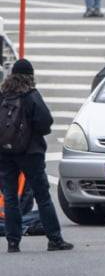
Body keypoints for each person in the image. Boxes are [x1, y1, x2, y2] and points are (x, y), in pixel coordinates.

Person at [0, 59, 73, 252]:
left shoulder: (3, 96)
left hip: (5, 153)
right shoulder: (31, 95)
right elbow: (45, 121)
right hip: (30, 153)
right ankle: (54, 240)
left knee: (10, 197)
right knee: (42, 196)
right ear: (30, 76)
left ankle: (13, 242)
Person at [0, 172, 43, 238]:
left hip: (17, 217)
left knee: (43, 214)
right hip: (8, 218)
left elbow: (27, 205)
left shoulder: (24, 175)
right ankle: (25, 229)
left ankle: (17, 227)